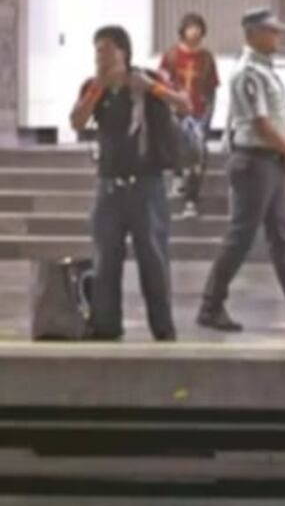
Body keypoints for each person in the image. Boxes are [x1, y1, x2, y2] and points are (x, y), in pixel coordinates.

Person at [195, 8, 285, 333]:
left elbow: (272, 119)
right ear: (253, 34)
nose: (278, 36)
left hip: (269, 161)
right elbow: (259, 124)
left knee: (282, 236)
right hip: (254, 162)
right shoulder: (248, 72)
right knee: (240, 236)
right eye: (271, 31)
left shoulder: (265, 70)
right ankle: (210, 305)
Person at [70, 26, 193, 342]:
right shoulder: (93, 87)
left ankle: (163, 327)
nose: (102, 56)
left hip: (146, 185)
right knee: (105, 259)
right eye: (98, 50)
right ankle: (106, 325)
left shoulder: (148, 80)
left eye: (108, 49)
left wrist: (153, 89)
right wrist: (96, 88)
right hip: (109, 186)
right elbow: (77, 121)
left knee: (153, 258)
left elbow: (184, 105)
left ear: (124, 52)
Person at [159, 12, 220, 219]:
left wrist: (208, 116)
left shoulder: (207, 58)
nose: (194, 31)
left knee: (199, 153)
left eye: (198, 27)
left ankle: (192, 200)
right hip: (177, 113)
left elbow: (212, 89)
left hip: (199, 114)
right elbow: (162, 83)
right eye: (190, 27)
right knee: (178, 147)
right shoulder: (172, 55)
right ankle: (178, 177)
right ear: (183, 30)